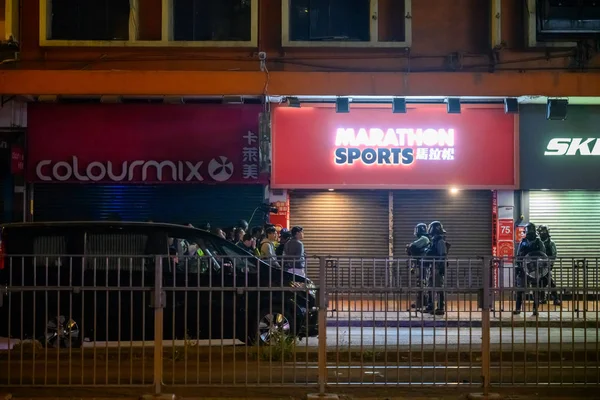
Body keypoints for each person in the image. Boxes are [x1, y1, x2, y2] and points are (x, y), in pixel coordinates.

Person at [514, 222, 546, 315]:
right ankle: (518, 308)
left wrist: (541, 267)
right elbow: (518, 255)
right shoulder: (523, 242)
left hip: (534, 269)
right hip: (524, 268)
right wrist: (518, 266)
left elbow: (543, 255)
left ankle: (535, 309)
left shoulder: (539, 242)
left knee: (535, 290)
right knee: (520, 290)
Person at [425, 221, 448, 315]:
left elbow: (442, 255)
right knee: (429, 287)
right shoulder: (434, 240)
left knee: (438, 288)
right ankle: (430, 306)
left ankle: (440, 308)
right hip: (432, 267)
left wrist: (440, 267)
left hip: (437, 267)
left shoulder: (440, 241)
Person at [406, 223, 430, 311]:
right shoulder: (424, 239)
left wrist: (409, 248)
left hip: (424, 265)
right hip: (420, 264)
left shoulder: (424, 239)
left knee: (422, 283)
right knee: (420, 282)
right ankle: (421, 302)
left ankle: (422, 303)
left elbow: (411, 247)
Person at [537, 225, 561, 306]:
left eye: (543, 231)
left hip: (547, 265)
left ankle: (556, 298)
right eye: (540, 232)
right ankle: (542, 298)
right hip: (539, 265)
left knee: (550, 282)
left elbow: (554, 254)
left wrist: (550, 264)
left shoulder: (551, 243)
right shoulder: (538, 242)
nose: (542, 233)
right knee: (540, 282)